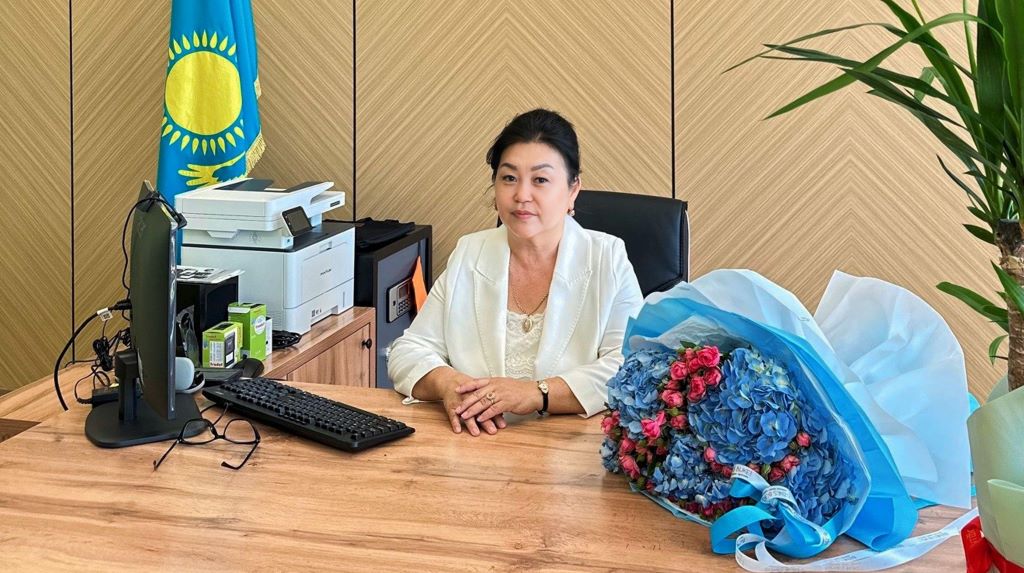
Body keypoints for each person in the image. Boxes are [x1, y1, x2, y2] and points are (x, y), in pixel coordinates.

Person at [387, 109, 643, 436]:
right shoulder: (470, 253)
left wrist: (537, 393)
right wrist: (448, 383)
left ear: (572, 190)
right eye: (509, 178)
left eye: (540, 180)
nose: (521, 195)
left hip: (567, 449)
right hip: (475, 442)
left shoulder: (607, 258)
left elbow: (630, 368)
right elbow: (407, 352)